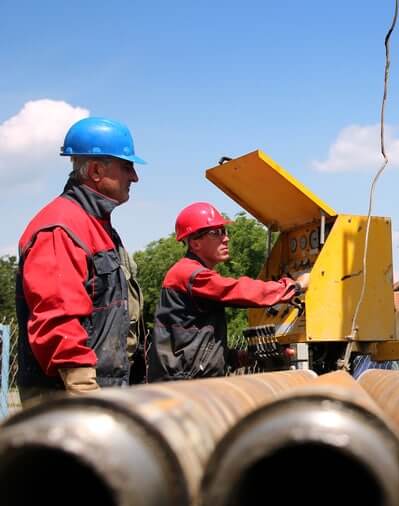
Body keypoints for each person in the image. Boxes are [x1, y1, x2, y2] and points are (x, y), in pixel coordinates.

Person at [15, 117, 146, 404]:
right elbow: (58, 317)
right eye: (127, 166)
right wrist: (84, 392)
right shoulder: (60, 228)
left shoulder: (97, 226)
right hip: (69, 400)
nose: (134, 177)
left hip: (103, 392)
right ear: (97, 170)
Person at [146, 202, 307, 381]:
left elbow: (192, 342)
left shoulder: (191, 274)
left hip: (184, 378)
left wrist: (239, 357)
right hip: (183, 383)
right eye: (216, 233)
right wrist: (294, 287)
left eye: (225, 231)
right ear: (195, 242)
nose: (226, 238)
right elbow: (238, 290)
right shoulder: (189, 274)